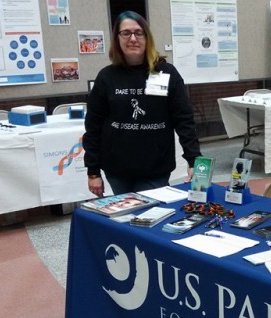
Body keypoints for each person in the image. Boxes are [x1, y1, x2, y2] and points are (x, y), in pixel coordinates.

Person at [83, 11, 201, 196]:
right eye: (126, 33)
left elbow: (184, 119)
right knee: (125, 219)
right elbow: (93, 127)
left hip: (155, 168)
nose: (133, 39)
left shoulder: (166, 73)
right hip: (117, 169)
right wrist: (93, 171)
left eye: (139, 33)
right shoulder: (107, 77)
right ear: (117, 38)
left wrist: (194, 160)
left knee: (148, 219)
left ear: (147, 37)